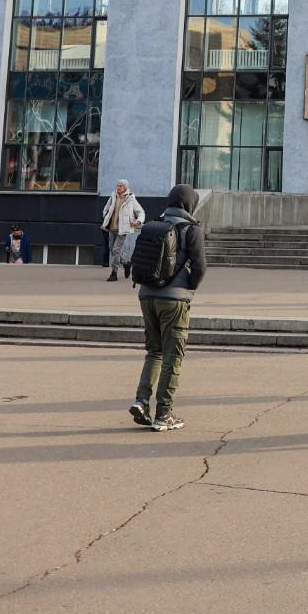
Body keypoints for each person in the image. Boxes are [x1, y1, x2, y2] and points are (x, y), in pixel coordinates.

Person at [128, 184, 206, 433]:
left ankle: (141, 401)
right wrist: (188, 287)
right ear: (189, 204)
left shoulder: (155, 224)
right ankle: (164, 413)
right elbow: (200, 266)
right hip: (174, 301)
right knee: (173, 357)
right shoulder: (191, 229)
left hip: (146, 295)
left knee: (154, 352)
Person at [100, 178, 145, 281]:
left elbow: (140, 212)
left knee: (116, 250)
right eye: (118, 185)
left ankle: (114, 273)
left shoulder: (130, 199)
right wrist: (106, 216)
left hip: (123, 229)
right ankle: (126, 263)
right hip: (111, 228)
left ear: (125, 187)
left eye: (121, 186)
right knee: (112, 250)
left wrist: (138, 221)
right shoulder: (113, 197)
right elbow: (106, 209)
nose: (118, 187)